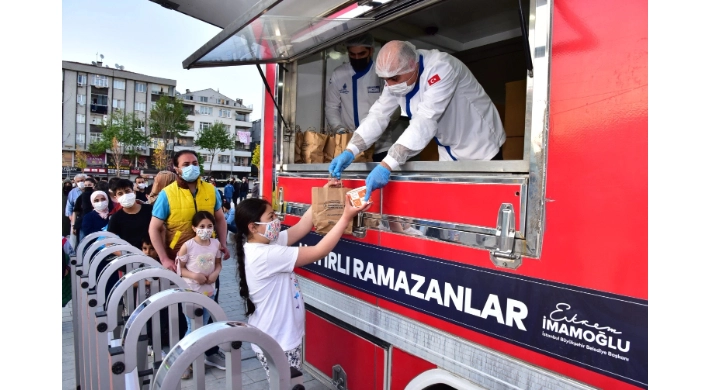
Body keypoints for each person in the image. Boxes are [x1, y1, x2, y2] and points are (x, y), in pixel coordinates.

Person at [329, 40, 506, 202]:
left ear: (413, 65)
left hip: (480, 144)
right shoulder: (398, 75)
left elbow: (425, 120)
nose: (389, 85)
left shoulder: (442, 67)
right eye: (385, 80)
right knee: (454, 203)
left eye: (394, 79)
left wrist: (387, 164)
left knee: (483, 204)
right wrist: (351, 150)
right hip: (448, 149)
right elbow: (379, 113)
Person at [234, 179, 370, 379]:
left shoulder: (265, 243)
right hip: (278, 340)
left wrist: (321, 198)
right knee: (289, 384)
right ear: (253, 227)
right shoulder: (265, 255)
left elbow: (302, 227)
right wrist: (346, 217)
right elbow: (318, 251)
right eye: (271, 217)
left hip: (273, 335)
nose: (276, 220)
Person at [148, 149, 229, 370]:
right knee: (180, 310)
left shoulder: (211, 191)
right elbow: (154, 228)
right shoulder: (168, 194)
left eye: (194, 162)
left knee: (210, 306)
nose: (191, 166)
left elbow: (220, 219)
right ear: (176, 168)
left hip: (208, 261)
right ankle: (180, 356)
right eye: (185, 164)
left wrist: (222, 244)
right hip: (180, 262)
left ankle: (210, 351)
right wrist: (164, 258)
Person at [325, 33, 402, 162]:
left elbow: (394, 108)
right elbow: (331, 107)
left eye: (361, 54)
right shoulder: (339, 74)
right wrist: (339, 128)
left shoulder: (381, 73)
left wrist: (383, 124)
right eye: (352, 55)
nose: (356, 58)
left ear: (371, 51)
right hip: (349, 144)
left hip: (380, 146)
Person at [107, 179, 153, 249]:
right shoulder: (116, 218)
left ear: (134, 192)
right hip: (130, 257)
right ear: (116, 198)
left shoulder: (150, 210)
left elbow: (162, 229)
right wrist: (125, 254)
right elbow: (108, 243)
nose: (125, 195)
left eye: (127, 191)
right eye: (120, 194)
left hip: (153, 256)